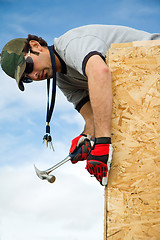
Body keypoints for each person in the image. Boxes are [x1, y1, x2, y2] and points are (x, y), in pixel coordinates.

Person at [1, 24, 160, 186]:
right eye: (27, 78)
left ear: (35, 46)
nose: (34, 75)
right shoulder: (63, 80)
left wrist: (103, 141)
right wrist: (85, 137)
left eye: (28, 66)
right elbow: (91, 120)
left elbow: (100, 72)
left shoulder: (71, 45)